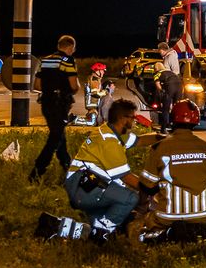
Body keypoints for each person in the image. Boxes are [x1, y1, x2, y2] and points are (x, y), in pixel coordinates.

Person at [33, 99, 161, 244]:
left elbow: (139, 141)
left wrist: (162, 138)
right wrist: (155, 190)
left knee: (102, 225)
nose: (135, 121)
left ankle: (54, 225)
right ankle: (100, 235)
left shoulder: (111, 132)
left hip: (87, 183)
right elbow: (127, 178)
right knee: (129, 198)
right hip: (85, 184)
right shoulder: (109, 142)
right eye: (133, 117)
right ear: (123, 118)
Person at [131, 100, 206, 243]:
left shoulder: (160, 148)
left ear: (172, 119)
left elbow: (146, 186)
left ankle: (166, 232)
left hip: (168, 216)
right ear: (196, 121)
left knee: (146, 219)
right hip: (205, 213)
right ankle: (196, 230)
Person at [30, 35, 80, 181]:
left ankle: (67, 167)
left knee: (59, 135)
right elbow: (73, 87)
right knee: (55, 138)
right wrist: (76, 87)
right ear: (70, 47)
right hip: (60, 104)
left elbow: (37, 86)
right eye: (73, 49)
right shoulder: (68, 61)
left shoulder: (44, 61)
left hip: (46, 103)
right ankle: (37, 171)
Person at [154, 61, 182, 134]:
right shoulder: (171, 72)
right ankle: (176, 126)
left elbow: (157, 84)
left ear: (156, 68)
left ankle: (163, 128)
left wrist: (162, 91)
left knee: (165, 108)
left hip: (170, 87)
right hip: (179, 86)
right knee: (177, 107)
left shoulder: (158, 73)